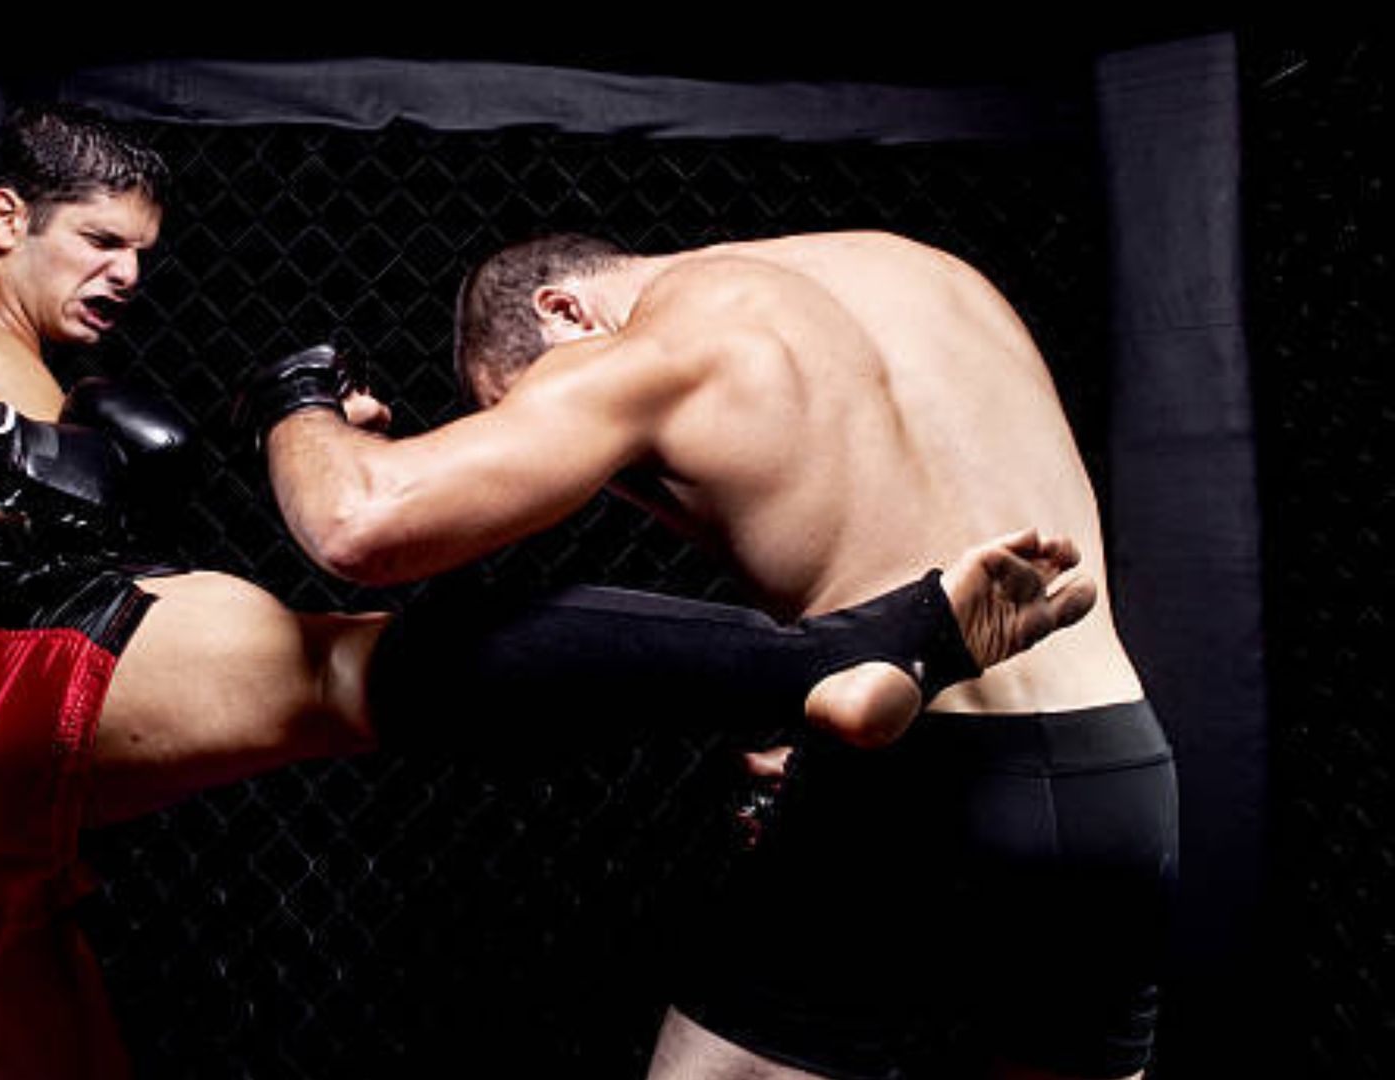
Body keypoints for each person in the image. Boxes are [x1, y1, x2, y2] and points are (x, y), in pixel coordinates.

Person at [0, 105, 1093, 1080]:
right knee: (349, 671)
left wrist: (323, 445)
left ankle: (804, 669)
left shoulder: (73, 387)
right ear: (6, 219)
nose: (128, 274)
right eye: (93, 241)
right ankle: (854, 648)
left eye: (143, 248)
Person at [245, 231, 1176, 1079]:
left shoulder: (670, 342)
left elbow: (358, 524)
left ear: (563, 310)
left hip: (918, 787)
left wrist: (301, 405)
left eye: (521, 405)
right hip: (1120, 779)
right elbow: (886, 513)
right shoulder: (929, 270)